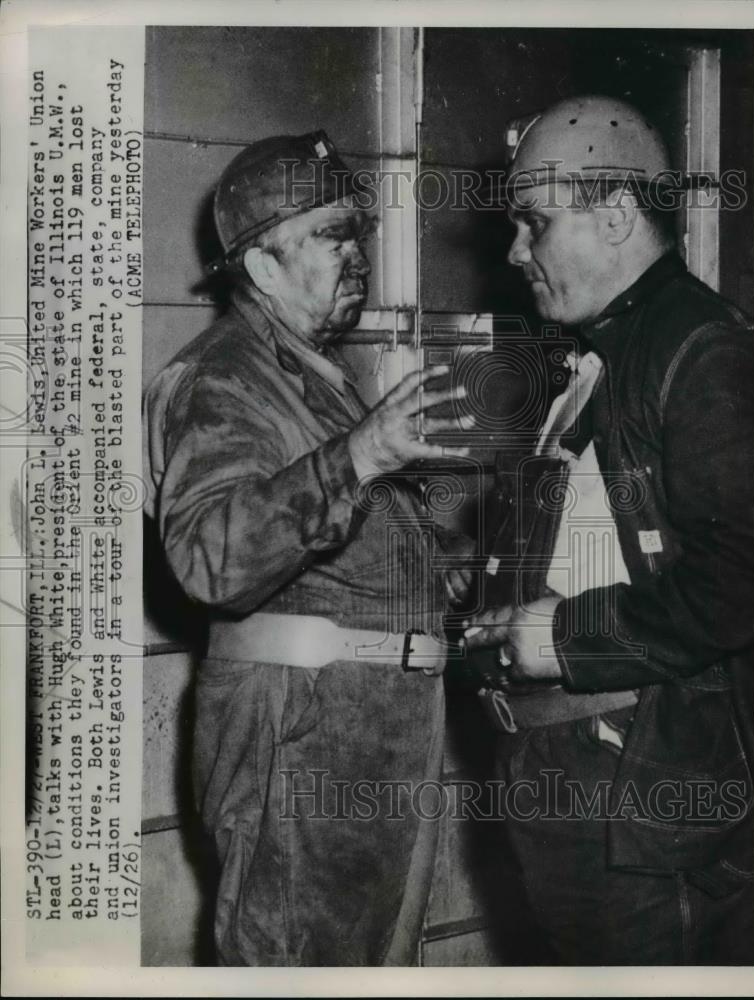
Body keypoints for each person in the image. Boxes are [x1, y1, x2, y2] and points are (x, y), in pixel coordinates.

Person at [143, 131, 472, 966]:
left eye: (355, 233)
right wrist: (362, 454)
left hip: (364, 736)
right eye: (330, 236)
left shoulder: (305, 373)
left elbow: (345, 553)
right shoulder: (222, 379)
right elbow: (212, 559)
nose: (355, 254)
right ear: (260, 268)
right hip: (301, 739)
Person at [464, 96, 754, 965]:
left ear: (618, 215)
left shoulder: (702, 351)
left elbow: (746, 572)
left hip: (638, 787)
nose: (516, 253)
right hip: (571, 768)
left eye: (536, 224)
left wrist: (566, 635)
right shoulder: (604, 353)